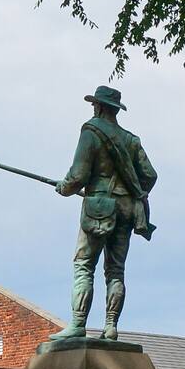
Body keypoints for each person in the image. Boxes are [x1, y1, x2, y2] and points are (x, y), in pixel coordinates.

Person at [50, 85, 157, 341]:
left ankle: (78, 323)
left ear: (98, 106)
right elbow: (150, 175)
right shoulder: (131, 140)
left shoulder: (91, 131)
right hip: (127, 210)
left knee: (84, 265)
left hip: (99, 208)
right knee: (116, 271)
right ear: (115, 109)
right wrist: (131, 192)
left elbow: (78, 175)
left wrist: (64, 187)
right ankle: (111, 327)